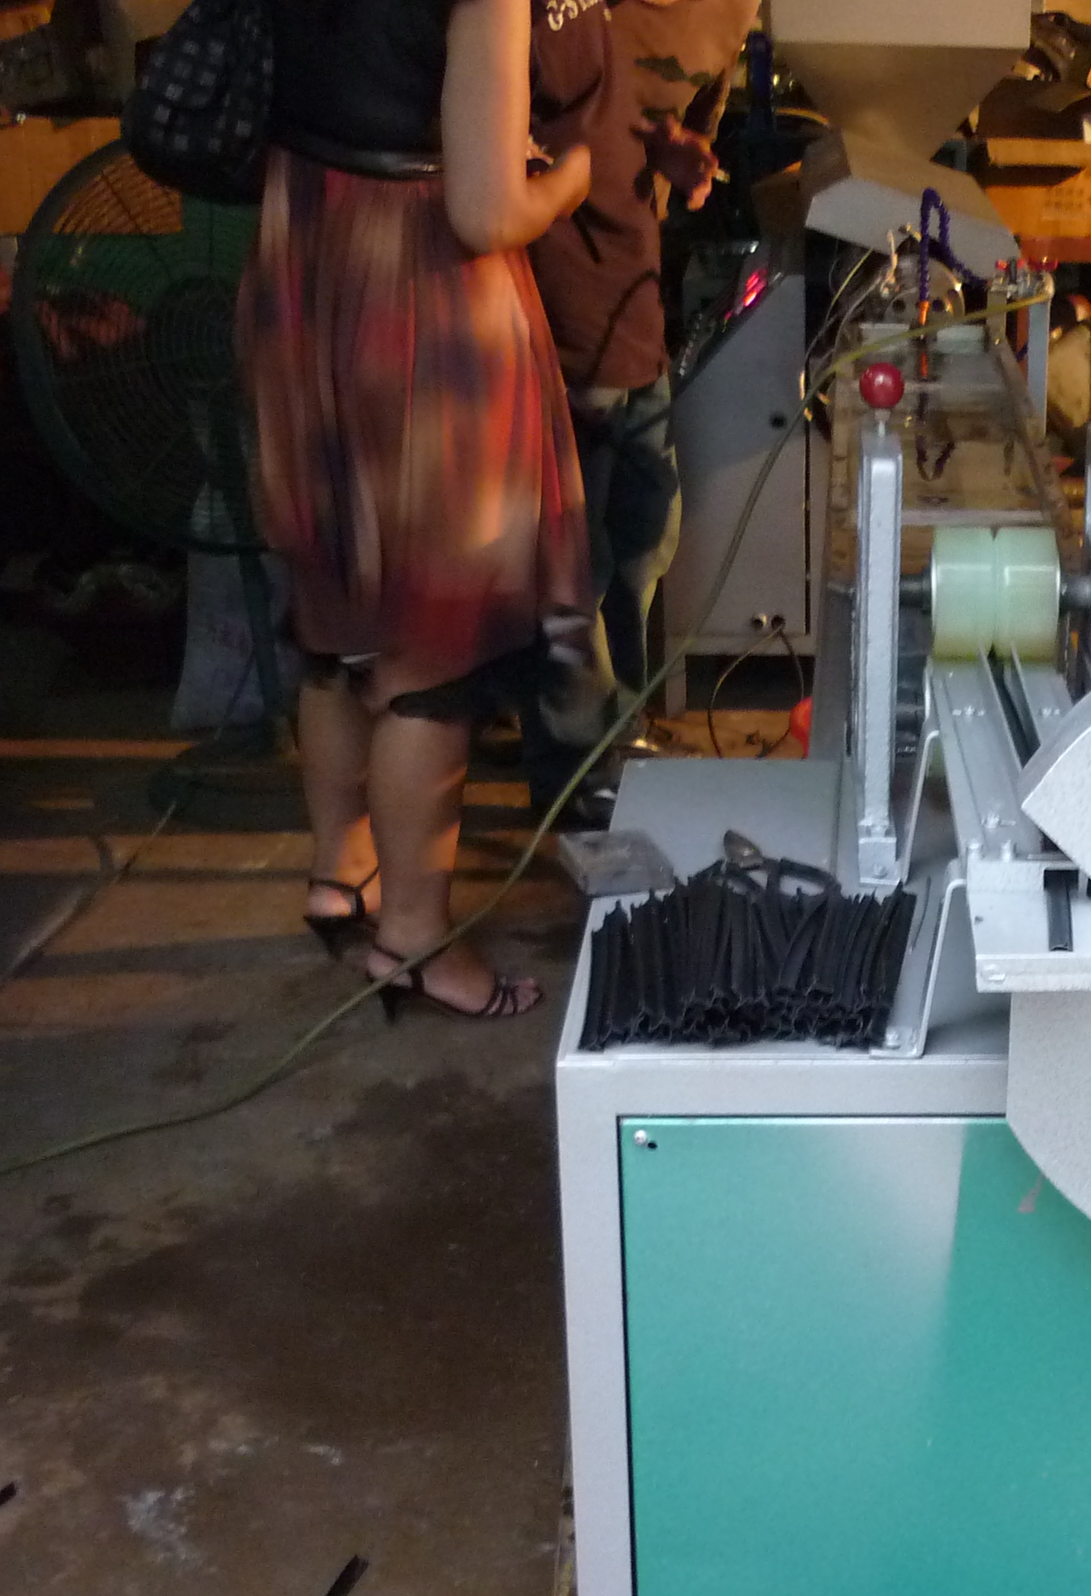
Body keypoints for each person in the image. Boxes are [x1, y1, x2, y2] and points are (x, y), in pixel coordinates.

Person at [246, 0, 598, 1018]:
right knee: (430, 650)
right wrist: (568, 179)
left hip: (298, 259)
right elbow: (485, 213)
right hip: (416, 295)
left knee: (337, 605)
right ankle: (413, 941)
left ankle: (339, 872)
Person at [521, 0, 756, 823]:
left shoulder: (707, 15)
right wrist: (557, 178)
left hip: (630, 291)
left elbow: (619, 113)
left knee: (644, 528)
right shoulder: (529, 14)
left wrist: (666, 153)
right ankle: (577, 761)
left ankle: (613, 726)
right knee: (570, 557)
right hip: (557, 296)